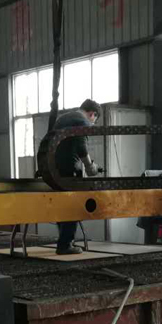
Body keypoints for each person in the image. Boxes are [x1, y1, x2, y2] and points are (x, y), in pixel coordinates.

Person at [42, 99, 102, 254]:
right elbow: (81, 146)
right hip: (67, 169)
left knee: (62, 205)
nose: (92, 124)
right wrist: (90, 167)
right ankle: (65, 245)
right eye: (94, 121)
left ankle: (64, 241)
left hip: (52, 168)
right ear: (92, 114)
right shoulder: (82, 120)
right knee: (73, 205)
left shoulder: (65, 117)